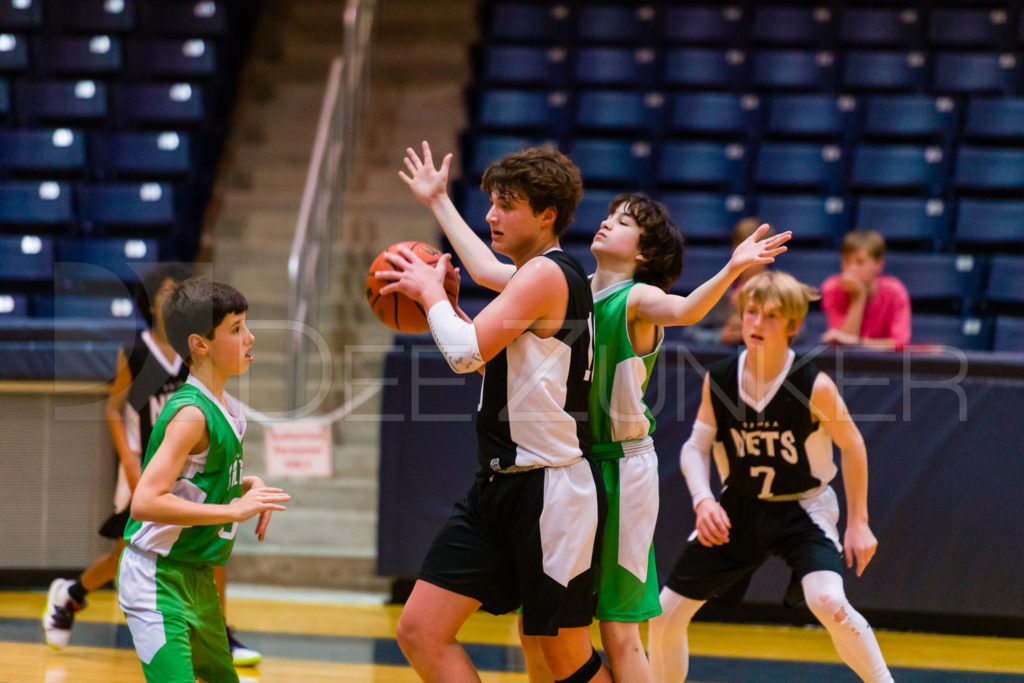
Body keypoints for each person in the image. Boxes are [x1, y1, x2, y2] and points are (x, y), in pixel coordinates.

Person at [397, 141, 791, 682]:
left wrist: (731, 269)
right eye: (608, 216)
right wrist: (439, 204)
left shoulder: (633, 297)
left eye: (622, 222)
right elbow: (489, 281)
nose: (606, 224)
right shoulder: (574, 286)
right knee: (537, 635)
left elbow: (684, 309)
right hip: (566, 461)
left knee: (616, 632)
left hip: (615, 466)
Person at [380, 145, 613, 682]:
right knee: (420, 629)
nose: (491, 215)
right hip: (498, 488)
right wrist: (439, 206)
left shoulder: (549, 274)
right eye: (490, 203)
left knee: (561, 655)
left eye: (506, 204)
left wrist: (431, 294)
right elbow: (504, 369)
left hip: (551, 492)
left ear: (546, 214)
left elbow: (465, 354)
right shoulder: (536, 276)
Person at [647, 270, 893, 683]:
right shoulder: (721, 378)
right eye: (752, 312)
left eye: (772, 316)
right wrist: (703, 499)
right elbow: (695, 446)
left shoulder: (813, 385)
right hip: (738, 508)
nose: (757, 324)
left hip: (802, 509)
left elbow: (852, 446)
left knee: (829, 601)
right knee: (664, 614)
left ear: (794, 325)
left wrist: (859, 521)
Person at [42, 265, 262, 667]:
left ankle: (219, 626)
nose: (169, 298)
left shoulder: (192, 365)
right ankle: (74, 594)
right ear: (148, 304)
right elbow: (114, 409)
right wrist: (128, 461)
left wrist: (237, 487)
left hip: (187, 463)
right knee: (135, 545)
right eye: (163, 292)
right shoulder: (139, 352)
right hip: (144, 459)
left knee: (202, 539)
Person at [117, 277, 290, 683]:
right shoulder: (192, 414)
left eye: (246, 325)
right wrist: (233, 509)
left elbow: (194, 478)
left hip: (196, 576)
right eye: (236, 329)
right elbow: (144, 501)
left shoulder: (226, 408)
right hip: (157, 578)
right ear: (200, 344)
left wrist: (243, 485)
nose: (250, 337)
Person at [682, 218, 776, 347]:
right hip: (726, 358)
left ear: (771, 250)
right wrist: (720, 336)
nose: (750, 256)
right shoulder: (721, 288)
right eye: (744, 249)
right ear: (734, 249)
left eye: (758, 249)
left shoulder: (781, 288)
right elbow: (690, 331)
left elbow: (798, 333)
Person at [820, 229, 911, 350]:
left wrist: (859, 342)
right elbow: (843, 345)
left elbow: (899, 343)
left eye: (860, 262)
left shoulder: (895, 291)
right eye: (847, 261)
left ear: (879, 264)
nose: (851, 268)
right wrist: (858, 297)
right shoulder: (832, 288)